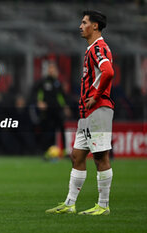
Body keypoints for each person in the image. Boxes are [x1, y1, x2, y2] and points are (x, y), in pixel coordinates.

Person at [46, 10, 114, 215]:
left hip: (98, 109)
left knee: (100, 156)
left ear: (95, 26)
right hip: (87, 113)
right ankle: (69, 204)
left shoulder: (98, 48)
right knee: (77, 156)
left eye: (84, 22)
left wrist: (96, 95)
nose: (80, 26)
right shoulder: (92, 49)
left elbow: (109, 71)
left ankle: (103, 206)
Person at [35, 61, 70, 156]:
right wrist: (39, 102)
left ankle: (64, 151)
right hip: (47, 111)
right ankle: (45, 151)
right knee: (47, 131)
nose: (51, 71)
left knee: (61, 130)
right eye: (50, 69)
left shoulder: (58, 83)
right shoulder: (43, 82)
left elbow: (61, 97)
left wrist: (65, 107)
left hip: (58, 110)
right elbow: (38, 94)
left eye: (53, 69)